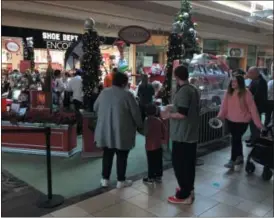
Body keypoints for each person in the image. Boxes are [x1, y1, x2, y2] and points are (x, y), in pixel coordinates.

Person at [94, 72, 142, 189]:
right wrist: (140, 125)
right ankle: (121, 180)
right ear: (124, 82)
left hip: (106, 130)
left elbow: (95, 107)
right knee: (122, 155)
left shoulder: (104, 92)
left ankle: (105, 179)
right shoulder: (128, 95)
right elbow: (135, 114)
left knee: (107, 155)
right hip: (122, 131)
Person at [161, 65, 200, 205]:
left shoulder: (184, 91)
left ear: (176, 77)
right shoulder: (193, 89)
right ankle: (189, 188)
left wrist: (168, 114)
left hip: (182, 134)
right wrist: (172, 106)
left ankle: (184, 194)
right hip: (191, 133)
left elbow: (182, 114)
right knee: (189, 163)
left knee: (180, 163)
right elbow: (185, 108)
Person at [218, 75, 263, 169]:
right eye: (232, 81)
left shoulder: (246, 93)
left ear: (240, 83)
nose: (233, 83)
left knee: (235, 139)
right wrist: (220, 116)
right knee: (236, 139)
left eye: (235, 82)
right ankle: (240, 157)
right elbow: (224, 106)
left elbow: (252, 108)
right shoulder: (229, 92)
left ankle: (232, 159)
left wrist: (258, 124)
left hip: (242, 121)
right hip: (230, 120)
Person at [143, 104, 165, 184]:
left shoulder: (146, 121)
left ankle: (151, 177)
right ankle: (159, 176)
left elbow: (145, 132)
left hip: (149, 146)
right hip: (158, 145)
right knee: (158, 161)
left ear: (146, 112)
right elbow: (164, 132)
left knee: (151, 162)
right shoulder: (159, 120)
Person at [245, 66, 268, 147]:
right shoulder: (255, 80)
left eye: (250, 73)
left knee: (255, 124)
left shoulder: (261, 81)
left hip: (256, 106)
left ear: (255, 73)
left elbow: (257, 96)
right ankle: (252, 138)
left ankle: (255, 140)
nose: (248, 74)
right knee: (252, 124)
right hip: (254, 106)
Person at [67, 69, 83, 134]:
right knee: (83, 115)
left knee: (77, 114)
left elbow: (68, 89)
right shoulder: (83, 79)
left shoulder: (72, 79)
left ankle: (78, 129)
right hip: (83, 98)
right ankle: (82, 128)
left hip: (75, 98)